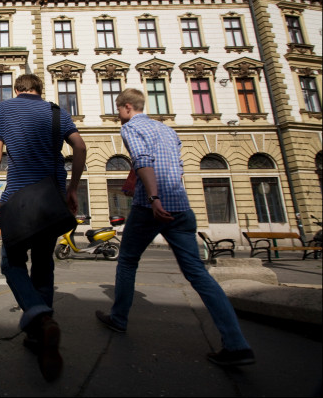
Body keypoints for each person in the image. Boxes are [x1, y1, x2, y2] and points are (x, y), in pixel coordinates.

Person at [95, 88, 254, 367]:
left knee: (128, 262)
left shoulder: (131, 127)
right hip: (181, 207)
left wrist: (154, 197)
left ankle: (119, 319)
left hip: (150, 208)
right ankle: (237, 344)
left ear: (127, 107)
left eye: (118, 110)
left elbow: (144, 161)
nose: (117, 115)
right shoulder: (167, 130)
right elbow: (175, 166)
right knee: (197, 273)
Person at [0, 74, 86, 382]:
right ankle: (40, 334)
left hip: (18, 201)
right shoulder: (56, 111)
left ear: (17, 90)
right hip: (50, 200)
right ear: (41, 90)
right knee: (43, 264)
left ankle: (39, 319)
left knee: (11, 263)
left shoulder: (3, 109)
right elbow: (80, 148)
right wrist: (73, 189)